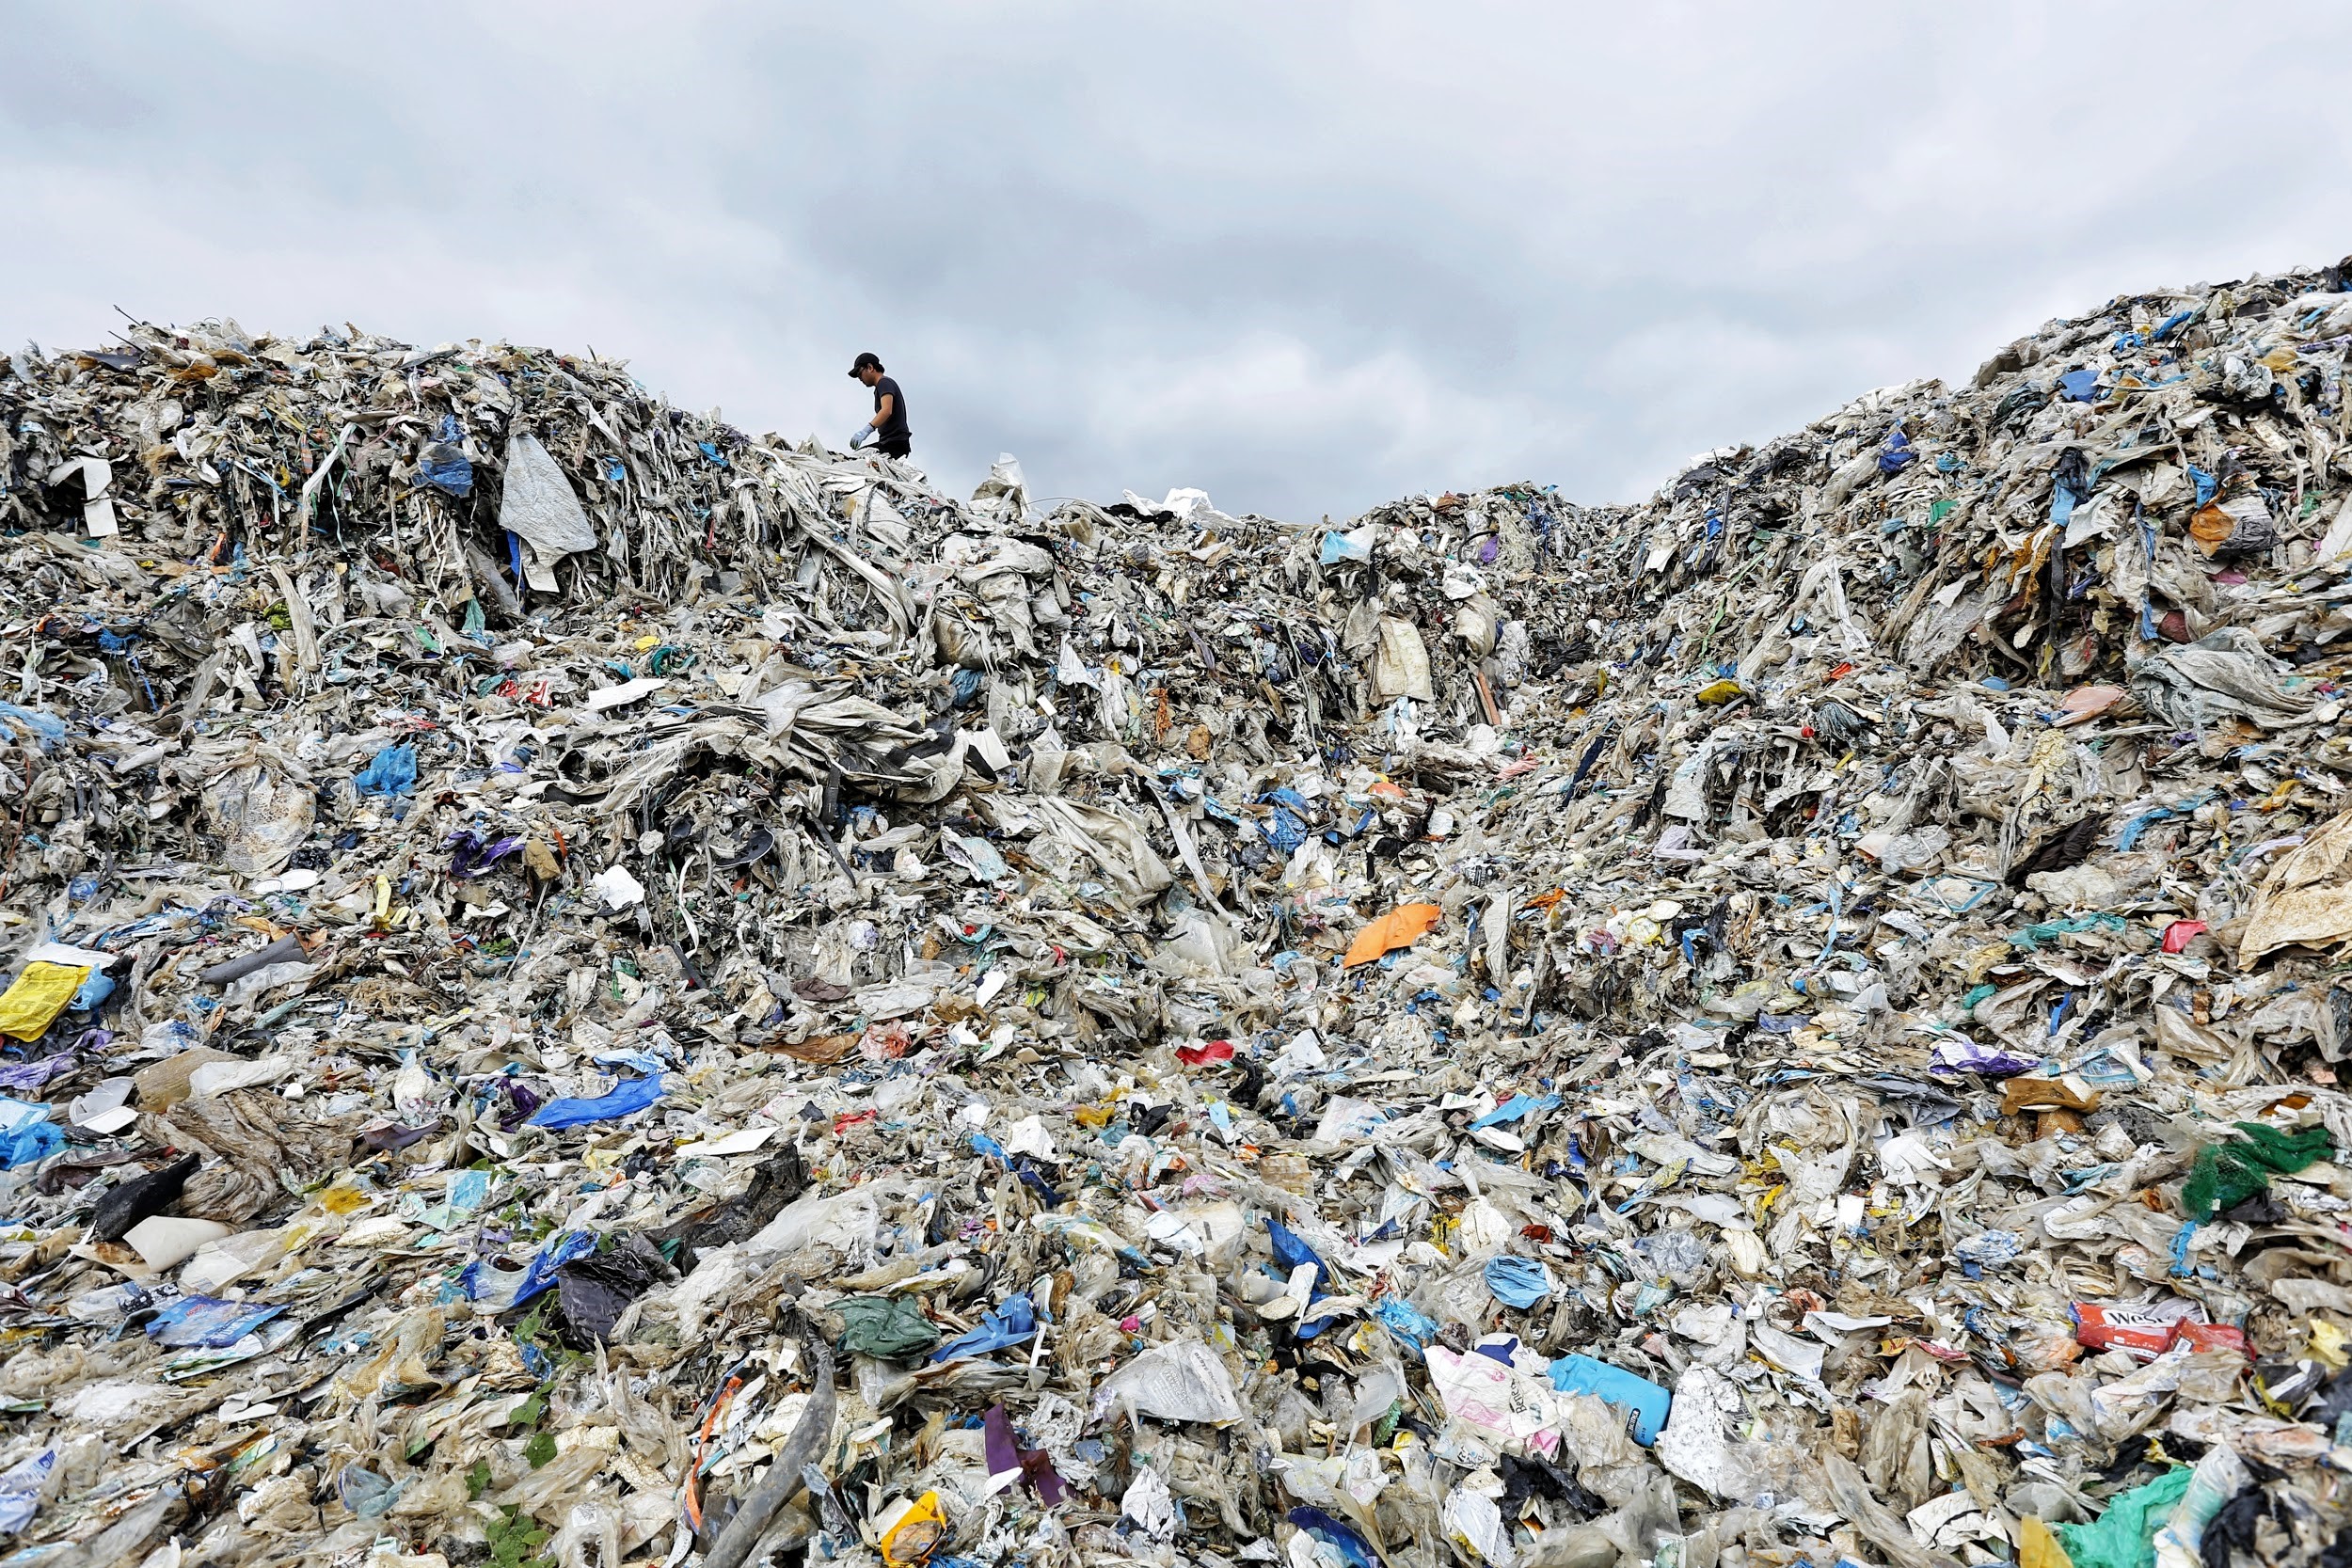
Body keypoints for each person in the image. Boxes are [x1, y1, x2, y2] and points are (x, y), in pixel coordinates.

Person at [847, 353, 911, 459]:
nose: (859, 378)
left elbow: (886, 410)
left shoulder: (884, 383)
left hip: (894, 445)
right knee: (857, 457)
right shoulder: (882, 385)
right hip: (888, 443)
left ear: (870, 367)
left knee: (856, 459)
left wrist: (866, 430)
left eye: (859, 373)